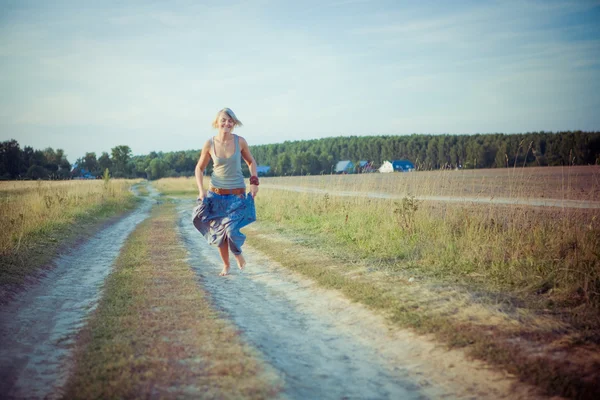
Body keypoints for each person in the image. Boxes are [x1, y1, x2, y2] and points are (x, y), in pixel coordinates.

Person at [192, 108, 259, 276]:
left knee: (230, 230)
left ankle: (237, 254)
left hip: (236, 195)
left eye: (230, 121)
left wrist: (254, 182)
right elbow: (199, 168)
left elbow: (251, 162)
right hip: (215, 196)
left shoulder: (240, 142)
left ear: (234, 124)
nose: (226, 123)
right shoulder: (209, 144)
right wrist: (201, 191)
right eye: (223, 120)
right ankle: (226, 265)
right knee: (220, 235)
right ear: (217, 122)